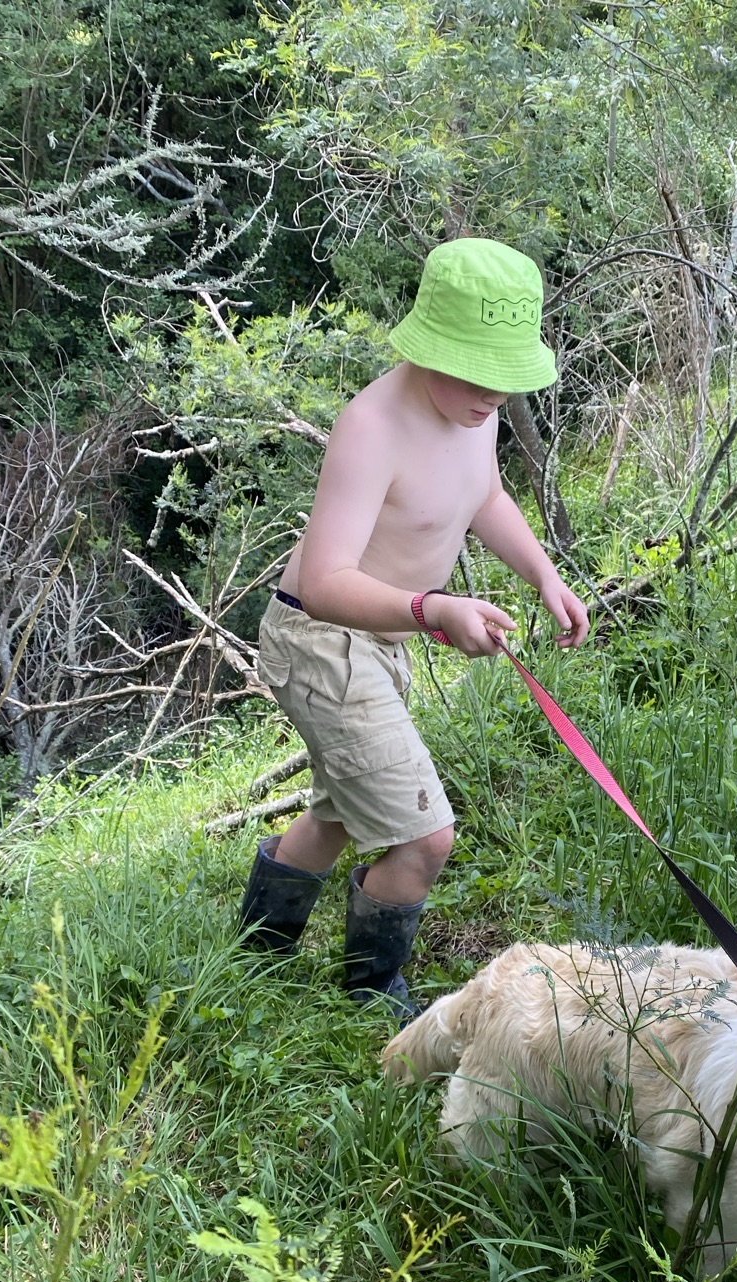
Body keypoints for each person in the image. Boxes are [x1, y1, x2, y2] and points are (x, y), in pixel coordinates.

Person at [236, 237, 590, 1015]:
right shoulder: (373, 426)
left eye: (508, 377)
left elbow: (486, 496)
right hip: (322, 641)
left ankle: (256, 952)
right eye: (479, 372)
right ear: (431, 342)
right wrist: (433, 611)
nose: (495, 395)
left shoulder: (474, 412)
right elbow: (327, 582)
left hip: (384, 640)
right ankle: (372, 995)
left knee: (342, 807)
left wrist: (544, 574)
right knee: (423, 837)